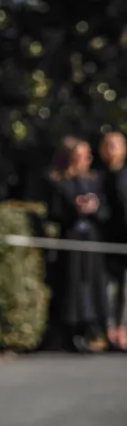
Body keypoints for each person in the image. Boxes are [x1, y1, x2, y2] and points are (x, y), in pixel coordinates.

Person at [47, 135, 108, 353]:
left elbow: (105, 212)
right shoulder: (57, 181)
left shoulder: (94, 180)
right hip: (71, 240)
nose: (85, 160)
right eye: (80, 156)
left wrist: (95, 207)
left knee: (91, 285)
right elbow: (53, 212)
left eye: (87, 156)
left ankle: (88, 330)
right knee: (72, 286)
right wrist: (74, 208)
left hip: (90, 240)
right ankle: (69, 334)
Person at [98, 131, 127, 351]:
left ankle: (123, 331)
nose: (111, 150)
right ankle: (109, 331)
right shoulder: (97, 177)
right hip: (105, 240)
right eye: (107, 145)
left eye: (115, 145)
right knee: (108, 288)